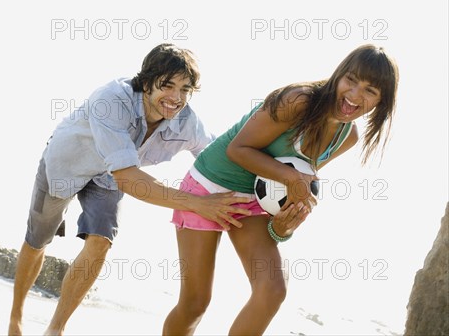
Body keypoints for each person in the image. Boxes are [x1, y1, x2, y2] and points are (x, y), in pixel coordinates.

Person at [8, 43, 254, 336]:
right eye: (168, 85)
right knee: (38, 241)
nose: (176, 98)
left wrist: (269, 181)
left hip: (108, 178)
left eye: (185, 89)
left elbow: (216, 157)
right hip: (66, 164)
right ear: (147, 81)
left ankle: (55, 329)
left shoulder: (186, 121)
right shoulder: (110, 101)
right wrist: (198, 204)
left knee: (100, 241)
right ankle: (16, 318)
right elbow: (129, 179)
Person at [162, 44, 399, 335]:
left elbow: (283, 193)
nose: (354, 95)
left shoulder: (346, 138)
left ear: (381, 101)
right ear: (339, 76)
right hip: (208, 188)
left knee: (273, 290)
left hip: (252, 201)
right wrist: (292, 179)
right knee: (195, 303)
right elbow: (240, 150)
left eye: (370, 90)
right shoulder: (297, 100)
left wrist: (283, 228)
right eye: (351, 80)